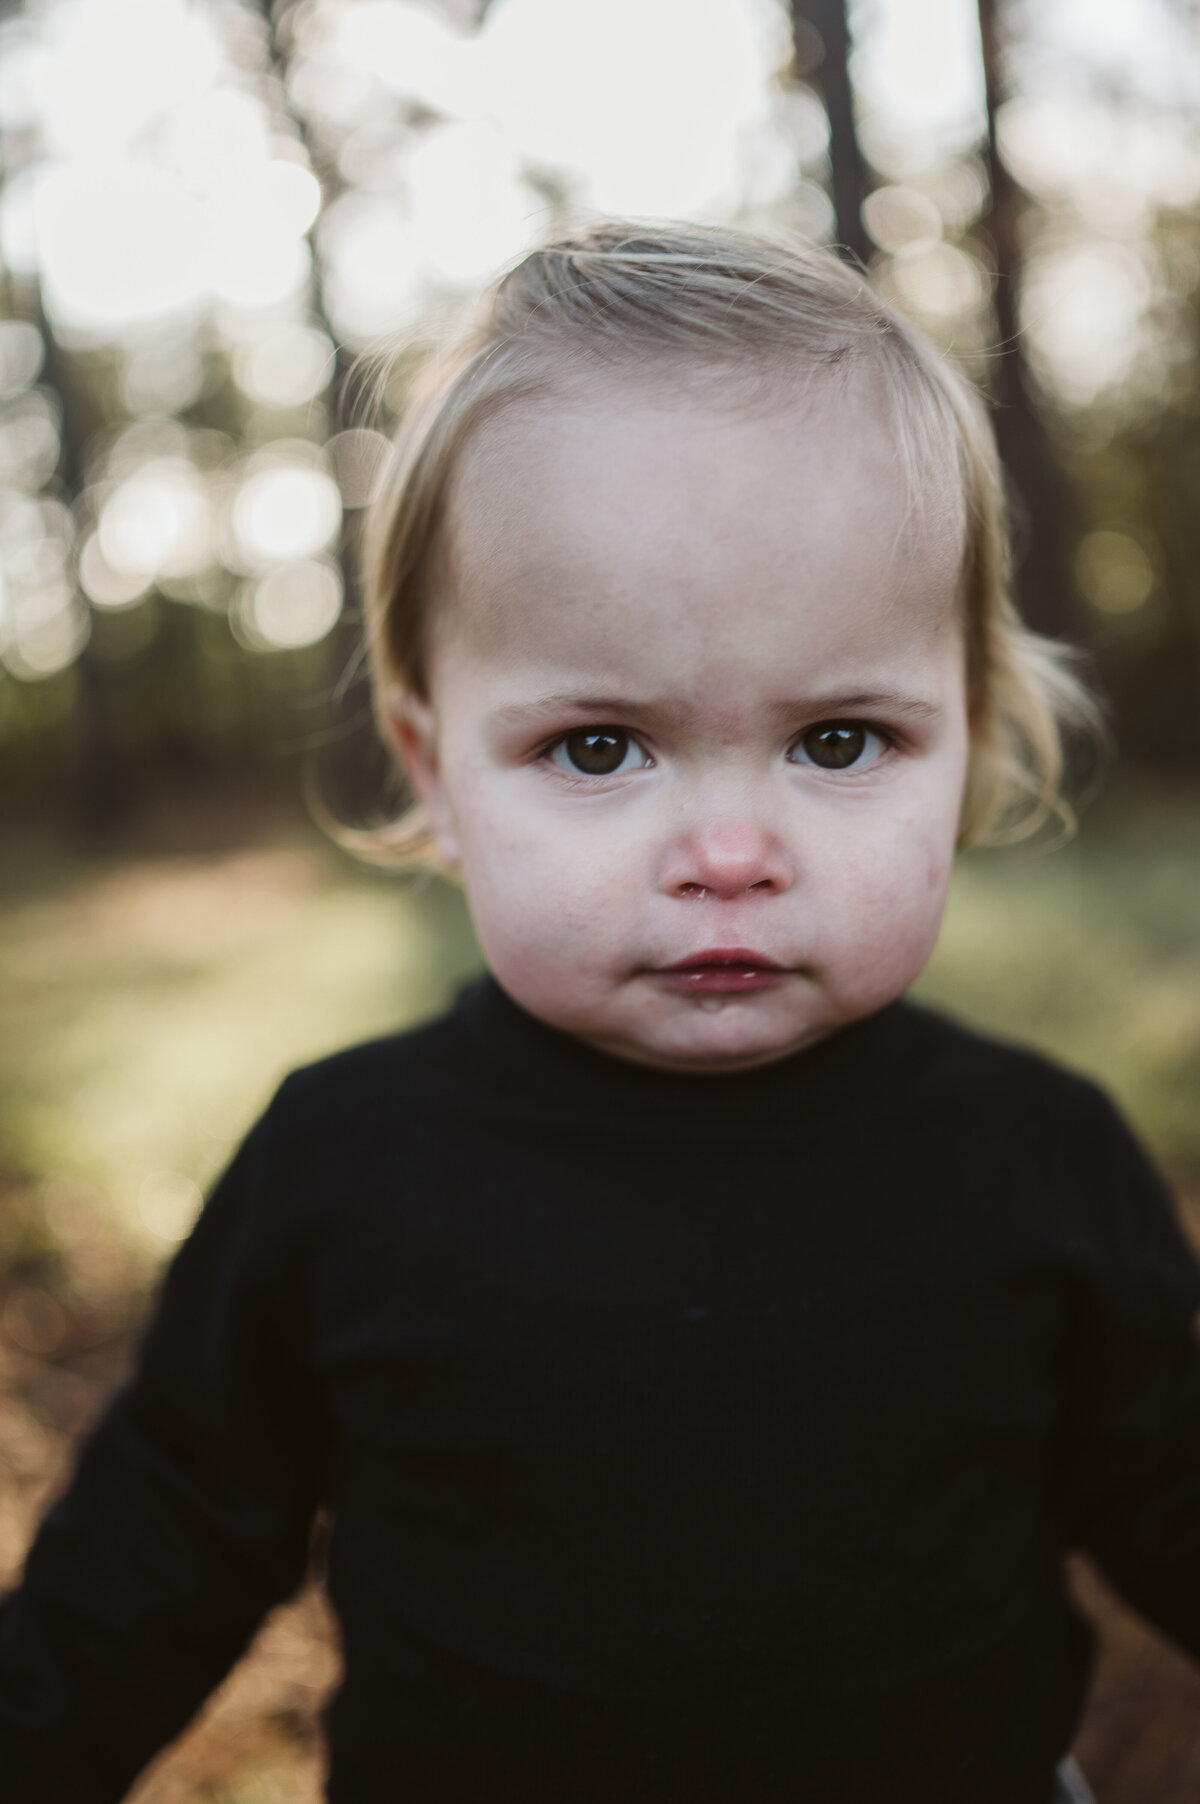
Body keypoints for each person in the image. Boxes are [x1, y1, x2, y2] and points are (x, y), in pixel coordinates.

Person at [0, 219, 1194, 1804]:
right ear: (436, 774)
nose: (724, 855)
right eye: (598, 747)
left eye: (838, 742)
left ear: (966, 741)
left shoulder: (1040, 1161)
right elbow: (151, 1560)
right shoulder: (348, 1167)